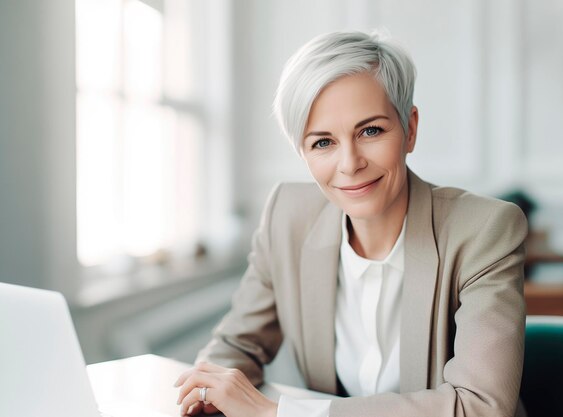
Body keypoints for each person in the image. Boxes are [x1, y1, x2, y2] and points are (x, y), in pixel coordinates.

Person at [174, 31, 527, 417]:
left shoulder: (484, 230)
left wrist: (280, 414)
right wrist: (207, 393)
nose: (350, 163)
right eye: (322, 142)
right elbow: (238, 346)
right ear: (303, 153)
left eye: (370, 130)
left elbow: (480, 407)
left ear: (410, 128)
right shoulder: (286, 216)